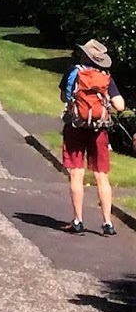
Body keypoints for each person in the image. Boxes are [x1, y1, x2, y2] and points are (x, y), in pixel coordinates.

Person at [60, 39, 127, 236]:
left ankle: (78, 220)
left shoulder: (73, 72)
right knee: (101, 176)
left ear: (84, 56)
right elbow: (120, 105)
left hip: (75, 127)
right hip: (99, 130)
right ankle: (107, 223)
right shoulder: (106, 78)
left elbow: (65, 97)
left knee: (76, 173)